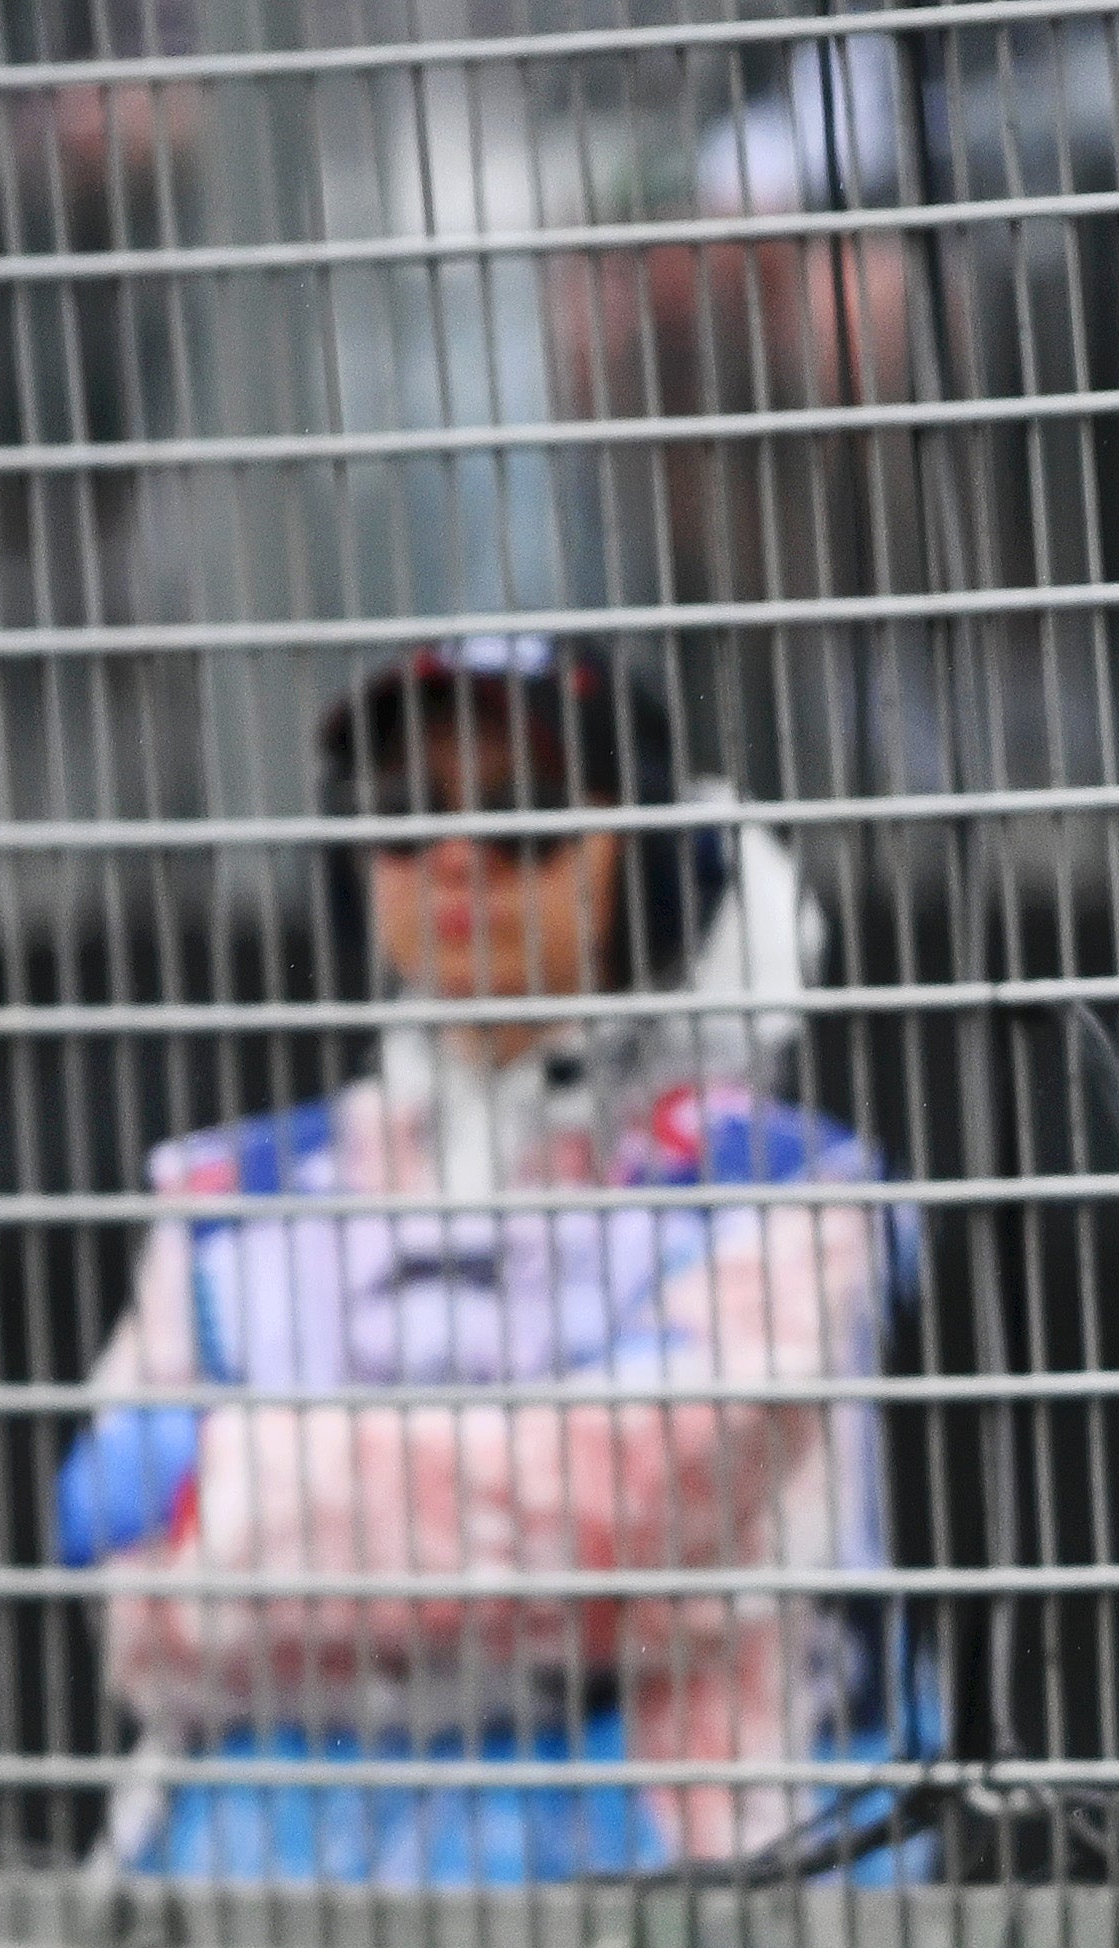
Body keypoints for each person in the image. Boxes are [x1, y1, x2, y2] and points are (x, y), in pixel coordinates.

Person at [59, 637, 900, 1884]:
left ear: (653, 856)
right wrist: (535, 1515)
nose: (456, 857)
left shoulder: (790, 1190)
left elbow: (642, 1526)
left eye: (521, 813)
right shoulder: (230, 1194)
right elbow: (136, 1608)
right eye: (406, 817)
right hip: (260, 1887)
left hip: (687, 1880)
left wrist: (234, 1500)